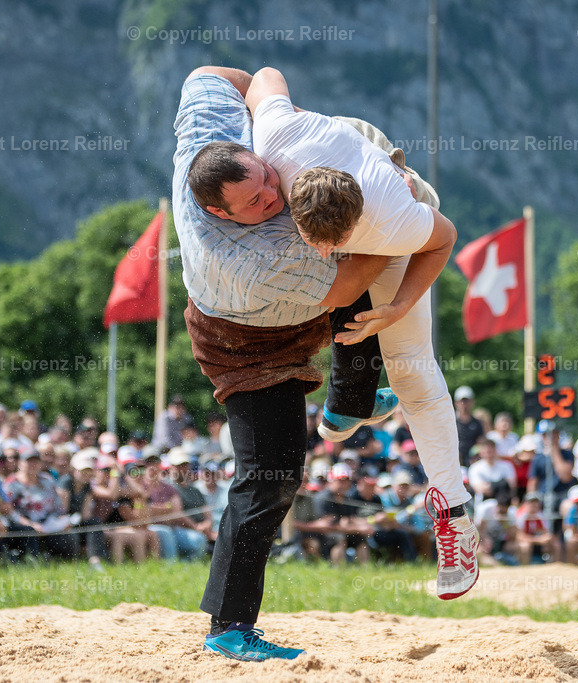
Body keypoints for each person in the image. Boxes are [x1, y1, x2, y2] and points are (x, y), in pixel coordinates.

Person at [174, 65, 407, 662]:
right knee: (272, 476)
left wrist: (279, 121)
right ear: (222, 213)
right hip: (246, 347)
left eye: (269, 180)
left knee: (339, 234)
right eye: (256, 202)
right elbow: (357, 274)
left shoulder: (208, 135)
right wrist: (390, 199)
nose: (274, 196)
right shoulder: (251, 256)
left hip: (292, 307)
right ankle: (228, 627)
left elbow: (222, 74)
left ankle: (350, 399)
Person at [244, 65, 477, 595]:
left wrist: (398, 307)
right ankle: (354, 405)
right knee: (335, 420)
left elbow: (443, 240)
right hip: (320, 160)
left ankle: (455, 517)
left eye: (336, 244)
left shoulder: (395, 216)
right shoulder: (276, 135)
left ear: (355, 225)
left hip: (395, 217)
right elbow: (264, 75)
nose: (325, 254)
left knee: (413, 372)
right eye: (317, 242)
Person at [515, 492, 559, 564]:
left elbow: (546, 533)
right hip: (529, 542)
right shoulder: (521, 516)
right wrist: (538, 540)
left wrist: (544, 539)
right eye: (531, 502)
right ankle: (525, 567)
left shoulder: (542, 516)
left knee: (554, 544)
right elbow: (519, 536)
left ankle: (555, 565)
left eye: (535, 502)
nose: (533, 505)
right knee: (525, 546)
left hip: (537, 542)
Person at [453, 386, 484, 468]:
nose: (464, 404)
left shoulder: (477, 423)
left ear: (472, 402)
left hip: (473, 462)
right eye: (462, 401)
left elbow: (481, 442)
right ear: (456, 403)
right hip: (454, 462)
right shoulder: (451, 422)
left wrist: (476, 455)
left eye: (467, 401)